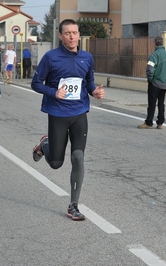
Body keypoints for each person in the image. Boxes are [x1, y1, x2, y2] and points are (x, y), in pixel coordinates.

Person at [31, 19, 105, 221]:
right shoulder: (51, 57)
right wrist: (54, 92)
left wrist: (94, 91)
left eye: (75, 33)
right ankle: (45, 144)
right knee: (55, 163)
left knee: (78, 158)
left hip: (79, 113)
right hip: (57, 114)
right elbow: (36, 83)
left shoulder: (86, 57)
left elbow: (88, 82)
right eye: (67, 33)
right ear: (61, 36)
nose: (72, 37)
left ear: (79, 34)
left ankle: (73, 205)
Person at [138, 36, 166, 130]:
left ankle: (149, 122)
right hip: (165, 83)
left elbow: (150, 69)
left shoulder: (154, 55)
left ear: (155, 43)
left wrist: (150, 79)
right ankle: (160, 123)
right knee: (161, 103)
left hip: (155, 82)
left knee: (152, 103)